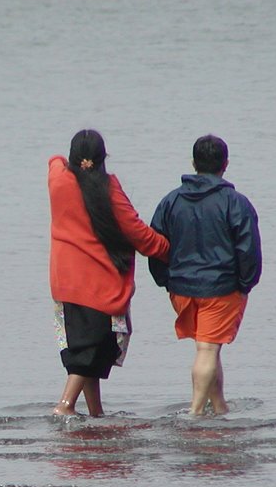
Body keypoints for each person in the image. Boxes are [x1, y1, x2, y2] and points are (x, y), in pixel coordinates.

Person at [49, 129, 169, 417]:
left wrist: (71, 164)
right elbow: (139, 234)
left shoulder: (57, 180)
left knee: (85, 349)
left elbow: (53, 160)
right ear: (103, 159)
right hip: (98, 286)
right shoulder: (110, 190)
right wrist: (169, 250)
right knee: (95, 350)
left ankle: (96, 413)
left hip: (64, 284)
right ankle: (65, 406)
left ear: (74, 159)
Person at [148, 135, 262, 417]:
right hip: (220, 288)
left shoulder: (170, 201)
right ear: (225, 164)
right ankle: (195, 414)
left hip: (181, 288)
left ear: (193, 163)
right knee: (208, 350)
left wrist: (166, 281)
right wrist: (245, 284)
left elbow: (155, 244)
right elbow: (248, 250)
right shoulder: (236, 202)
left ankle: (219, 406)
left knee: (209, 347)